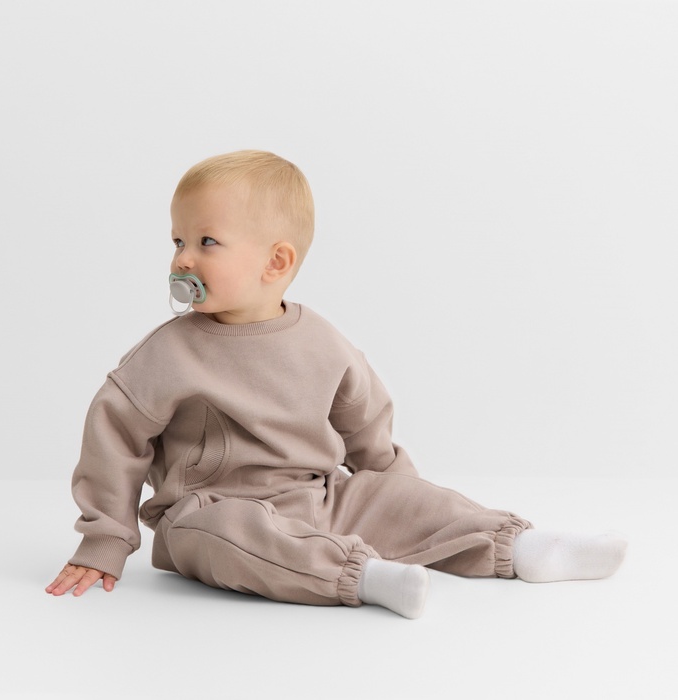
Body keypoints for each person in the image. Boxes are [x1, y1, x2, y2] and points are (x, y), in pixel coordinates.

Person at [45, 150, 628, 618]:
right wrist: (106, 539)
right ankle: (361, 577)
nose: (182, 259)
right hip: (210, 510)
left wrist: (399, 499)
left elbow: (366, 422)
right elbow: (115, 437)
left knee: (406, 498)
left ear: (275, 263)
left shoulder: (321, 341)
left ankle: (521, 547)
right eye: (178, 241)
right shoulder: (168, 353)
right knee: (223, 536)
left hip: (322, 499)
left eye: (206, 242)